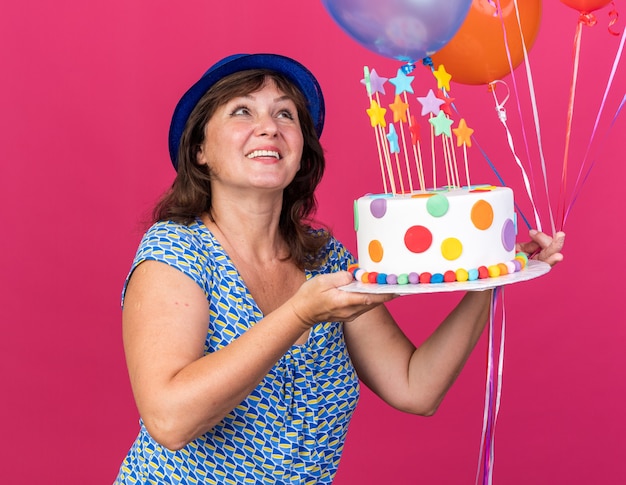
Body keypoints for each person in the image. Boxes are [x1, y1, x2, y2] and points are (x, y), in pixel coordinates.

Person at [114, 53, 565, 484]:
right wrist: (299, 314)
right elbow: (169, 420)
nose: (268, 127)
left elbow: (415, 387)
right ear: (200, 151)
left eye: (286, 114)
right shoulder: (177, 251)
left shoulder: (324, 259)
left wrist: (489, 276)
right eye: (242, 112)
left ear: (301, 150)